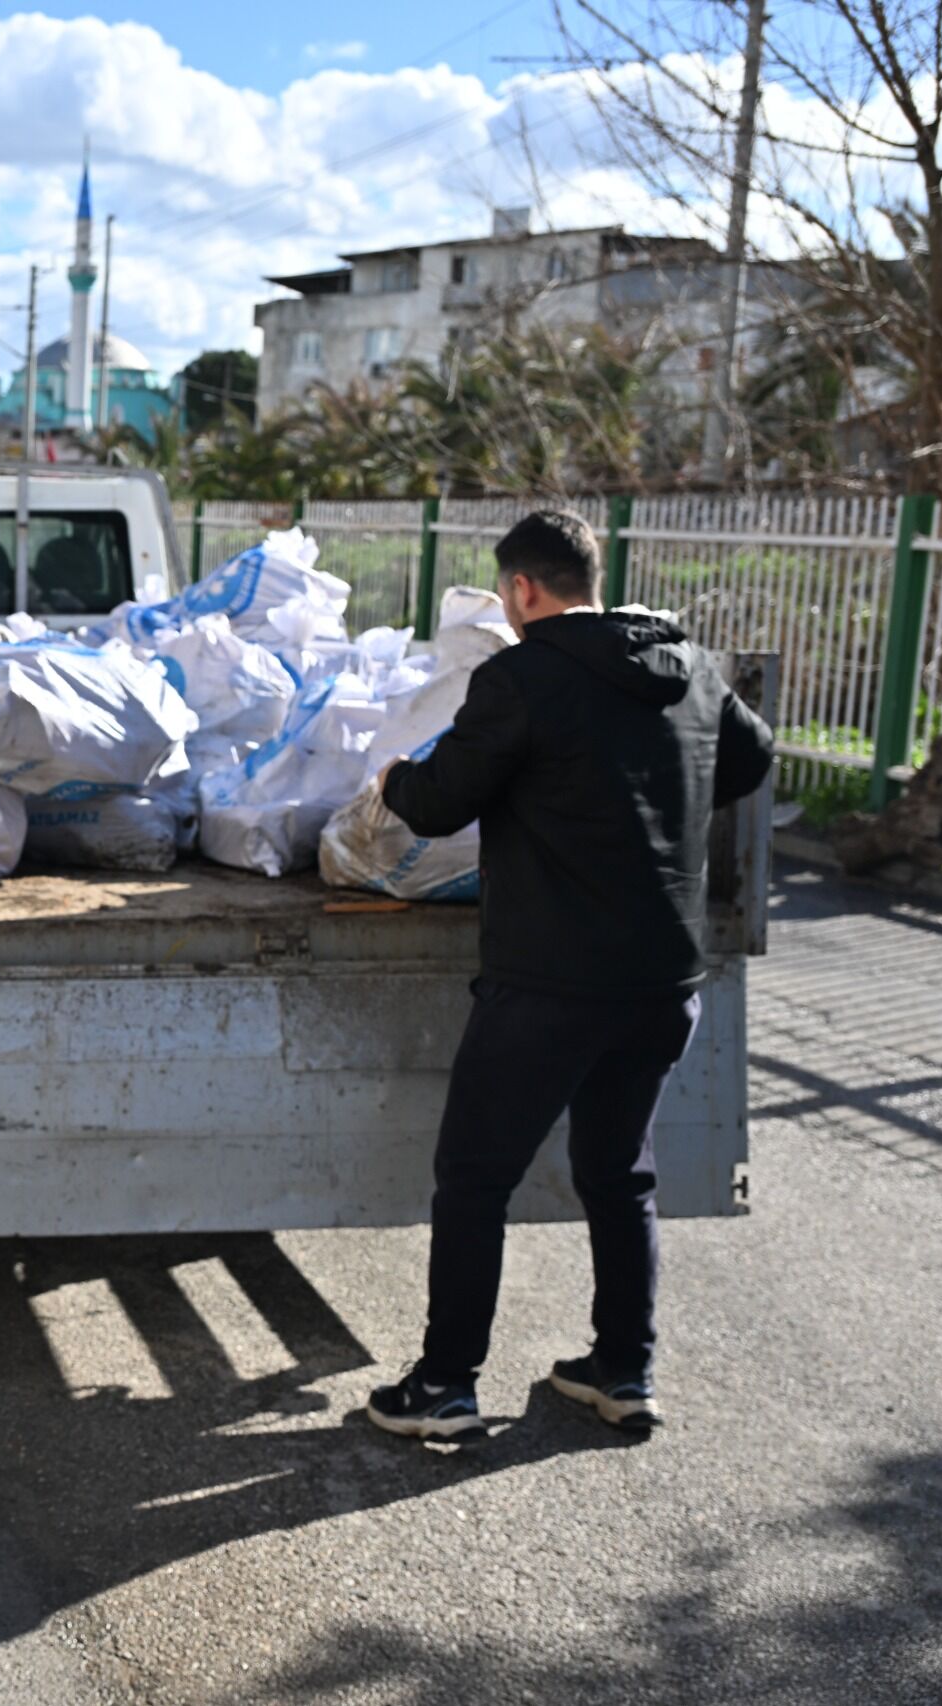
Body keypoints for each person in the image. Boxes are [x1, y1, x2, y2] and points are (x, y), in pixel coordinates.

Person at [366, 509, 774, 1440]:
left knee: (474, 1179)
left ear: (520, 590)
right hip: (665, 983)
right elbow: (751, 760)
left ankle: (445, 1387)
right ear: (597, 576)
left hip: (548, 985)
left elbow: (440, 803)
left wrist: (392, 776)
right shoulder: (691, 667)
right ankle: (623, 1372)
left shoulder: (522, 676)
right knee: (619, 1175)